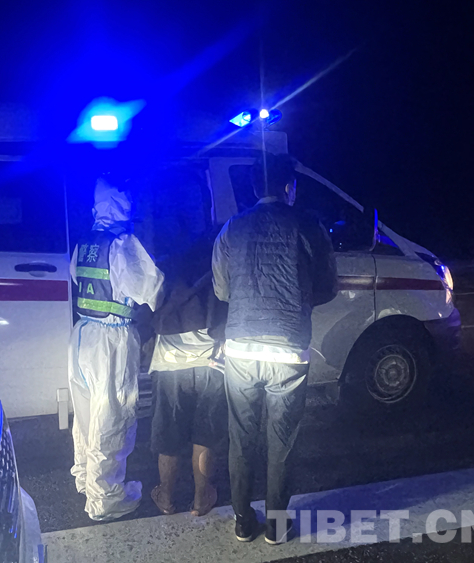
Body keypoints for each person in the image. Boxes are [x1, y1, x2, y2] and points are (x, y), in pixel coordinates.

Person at [212, 153, 338, 544]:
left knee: (241, 436)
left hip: (241, 350)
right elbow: (327, 287)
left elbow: (222, 290)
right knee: (282, 441)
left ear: (255, 187)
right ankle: (277, 526)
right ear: (289, 187)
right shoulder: (309, 225)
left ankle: (242, 520)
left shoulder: (232, 228)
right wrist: (298, 301)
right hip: (288, 350)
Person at [69, 177, 164, 521]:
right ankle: (106, 499)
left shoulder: (85, 242)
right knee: (112, 417)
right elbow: (151, 290)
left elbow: (78, 279)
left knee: (86, 415)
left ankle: (86, 478)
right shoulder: (123, 244)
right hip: (112, 339)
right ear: (123, 204)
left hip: (83, 335)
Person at [148, 228, 228, 517]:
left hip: (170, 363)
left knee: (168, 435)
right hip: (212, 362)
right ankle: (200, 499)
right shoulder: (219, 265)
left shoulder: (163, 267)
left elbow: (148, 308)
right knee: (205, 434)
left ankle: (166, 498)